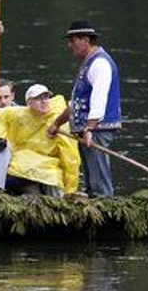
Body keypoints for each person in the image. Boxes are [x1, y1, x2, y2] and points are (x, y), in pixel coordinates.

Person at [48, 20, 122, 197]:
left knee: (99, 180)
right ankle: (94, 207)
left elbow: (99, 98)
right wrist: (57, 124)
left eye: (72, 40)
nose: (69, 45)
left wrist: (90, 127)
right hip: (88, 130)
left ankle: (105, 209)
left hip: (96, 129)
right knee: (91, 179)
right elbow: (76, 102)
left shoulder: (100, 63)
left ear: (86, 40)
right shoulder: (89, 63)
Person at [0, 84, 79, 197]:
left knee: (53, 178)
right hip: (20, 165)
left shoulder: (57, 120)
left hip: (47, 166)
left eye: (46, 98)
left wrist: (70, 188)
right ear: (29, 103)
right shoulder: (18, 114)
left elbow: (69, 156)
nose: (44, 101)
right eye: (38, 99)